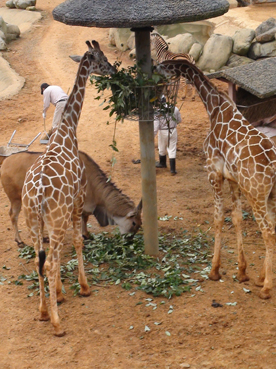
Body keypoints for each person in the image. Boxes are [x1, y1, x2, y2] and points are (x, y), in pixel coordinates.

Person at [154, 96, 182, 175]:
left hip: (163, 131)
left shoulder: (158, 111)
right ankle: (172, 170)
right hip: (173, 130)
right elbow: (179, 120)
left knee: (162, 147)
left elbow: (155, 127)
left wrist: (151, 136)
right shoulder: (175, 108)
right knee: (172, 149)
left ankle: (162, 163)